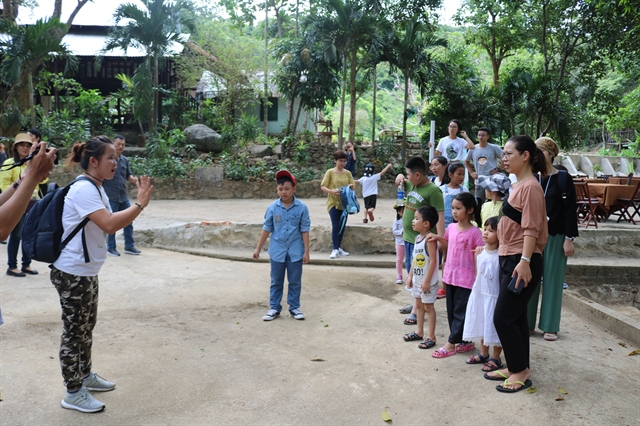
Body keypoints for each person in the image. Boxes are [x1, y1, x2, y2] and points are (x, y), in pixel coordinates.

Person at [51, 136, 153, 413]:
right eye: (110, 158)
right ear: (93, 161)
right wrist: (140, 204)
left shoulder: (97, 187)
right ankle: (73, 391)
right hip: (72, 272)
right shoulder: (84, 189)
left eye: (117, 158)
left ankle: (85, 375)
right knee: (74, 332)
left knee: (86, 327)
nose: (115, 163)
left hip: (86, 271)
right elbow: (109, 225)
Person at [486, 135, 548, 393]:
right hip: (510, 257)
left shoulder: (531, 187)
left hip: (522, 259)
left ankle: (521, 371)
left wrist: (524, 262)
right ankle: (516, 366)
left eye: (510, 153)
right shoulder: (519, 186)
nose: (505, 157)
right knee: (517, 316)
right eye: (504, 153)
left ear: (526, 156)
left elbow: (532, 228)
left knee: (503, 317)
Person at [0, 140, 56, 326]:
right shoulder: (9, 164)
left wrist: (24, 178)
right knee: (16, 237)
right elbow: (1, 230)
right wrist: (32, 175)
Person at [527, 137, 578, 341]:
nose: (536, 155)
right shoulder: (531, 177)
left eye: (539, 151)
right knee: (529, 279)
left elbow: (570, 210)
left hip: (556, 236)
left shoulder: (563, 178)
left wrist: (569, 238)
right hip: (532, 237)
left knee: (553, 281)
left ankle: (550, 325)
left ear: (549, 154)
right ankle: (527, 323)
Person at [428, 192, 484, 359]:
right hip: (450, 275)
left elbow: (480, 255)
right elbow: (447, 244)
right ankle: (465, 341)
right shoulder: (451, 228)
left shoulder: (475, 233)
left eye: (458, 208)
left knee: (461, 311)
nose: (454, 211)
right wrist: (438, 237)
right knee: (452, 310)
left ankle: (451, 343)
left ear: (470, 210)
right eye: (452, 208)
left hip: (466, 279)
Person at [253, 169, 310, 321]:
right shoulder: (272, 208)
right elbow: (267, 228)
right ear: (277, 189)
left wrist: (306, 251)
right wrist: (258, 248)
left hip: (295, 251)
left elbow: (305, 230)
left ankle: (294, 307)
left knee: (295, 280)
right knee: (276, 280)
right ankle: (274, 308)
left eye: (287, 189)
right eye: (280, 189)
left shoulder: (302, 208)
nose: (283, 192)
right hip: (277, 250)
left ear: (294, 189)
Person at [394, 157, 444, 325]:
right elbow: (400, 182)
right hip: (410, 238)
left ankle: (417, 311)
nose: (407, 178)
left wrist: (441, 239)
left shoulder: (433, 191)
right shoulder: (412, 184)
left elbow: (440, 216)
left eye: (408, 174)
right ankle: (416, 302)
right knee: (413, 273)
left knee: (420, 273)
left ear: (417, 174)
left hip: (424, 241)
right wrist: (400, 176)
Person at [0, 133, 48, 277]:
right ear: (16, 147)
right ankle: (12, 266)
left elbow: (42, 182)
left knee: (29, 235)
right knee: (16, 235)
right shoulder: (9, 163)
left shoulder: (31, 163)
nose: (25, 148)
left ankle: (26, 264)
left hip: (32, 203)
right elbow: (3, 185)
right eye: (22, 145)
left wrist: (40, 170)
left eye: (28, 145)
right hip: (16, 204)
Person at [463, 216, 503, 372]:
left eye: (491, 231)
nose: (485, 233)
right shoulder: (479, 252)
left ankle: (496, 357)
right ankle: (483, 353)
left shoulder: (501, 255)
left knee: (494, 327)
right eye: (485, 229)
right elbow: (478, 274)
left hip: (494, 296)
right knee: (482, 322)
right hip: (481, 294)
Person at [402, 206, 440, 350]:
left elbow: (433, 262)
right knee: (418, 305)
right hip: (418, 280)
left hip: (427, 282)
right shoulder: (418, 238)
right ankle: (419, 331)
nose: (413, 221)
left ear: (426, 224)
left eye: (417, 218)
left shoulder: (430, 240)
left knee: (428, 307)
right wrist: (410, 275)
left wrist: (427, 281)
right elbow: (414, 260)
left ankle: (431, 336)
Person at [103, 135, 141, 256]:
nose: (120, 147)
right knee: (112, 223)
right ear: (112, 144)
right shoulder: (107, 160)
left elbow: (128, 175)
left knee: (128, 221)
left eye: (123, 145)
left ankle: (129, 246)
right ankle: (110, 247)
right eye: (118, 144)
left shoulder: (125, 160)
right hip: (111, 196)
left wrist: (133, 179)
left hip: (123, 196)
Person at [321, 150, 355, 259]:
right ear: (335, 160)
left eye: (345, 161)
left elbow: (353, 186)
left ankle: (338, 247)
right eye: (340, 161)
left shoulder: (348, 173)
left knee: (342, 226)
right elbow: (323, 186)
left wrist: (350, 187)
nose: (343, 163)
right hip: (333, 203)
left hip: (345, 204)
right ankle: (335, 248)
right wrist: (332, 191)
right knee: (335, 226)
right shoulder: (330, 172)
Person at [464, 127, 504, 205]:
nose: (480, 137)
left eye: (483, 135)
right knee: (479, 203)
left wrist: (499, 169)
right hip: (479, 181)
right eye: (479, 135)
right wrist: (471, 172)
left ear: (488, 137)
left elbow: (505, 159)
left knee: (493, 202)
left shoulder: (494, 148)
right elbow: (466, 161)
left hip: (492, 179)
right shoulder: (473, 148)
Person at [440, 163, 469, 229]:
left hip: (461, 226)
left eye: (463, 174)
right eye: (459, 174)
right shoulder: (441, 190)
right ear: (450, 175)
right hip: (444, 226)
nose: (462, 177)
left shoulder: (465, 190)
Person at [392, 203, 405, 284]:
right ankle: (399, 275)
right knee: (399, 259)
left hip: (407, 242)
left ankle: (410, 276)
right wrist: (401, 232)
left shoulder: (409, 219)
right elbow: (394, 231)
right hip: (399, 242)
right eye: (401, 211)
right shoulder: (396, 220)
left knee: (410, 259)